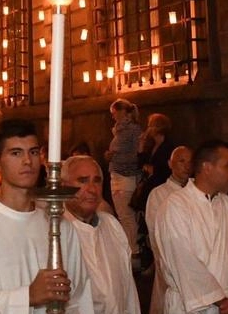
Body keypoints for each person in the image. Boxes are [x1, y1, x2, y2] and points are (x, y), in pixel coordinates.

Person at [0, 118, 92, 313]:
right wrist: (27, 296)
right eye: (16, 153)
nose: (27, 161)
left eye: (33, 152)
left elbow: (80, 298)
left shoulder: (60, 226)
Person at [153, 140, 228, 314]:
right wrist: (222, 301)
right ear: (207, 167)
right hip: (192, 306)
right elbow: (183, 260)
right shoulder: (175, 206)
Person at [62, 155, 140, 314]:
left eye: (96, 181)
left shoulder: (112, 225)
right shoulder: (55, 233)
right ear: (63, 186)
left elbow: (128, 289)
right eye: (82, 181)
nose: (91, 189)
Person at [145, 145, 192, 314]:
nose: (187, 166)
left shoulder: (197, 193)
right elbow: (154, 232)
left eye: (190, 162)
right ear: (170, 164)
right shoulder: (158, 194)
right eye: (181, 161)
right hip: (169, 266)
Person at [105, 99, 142, 257]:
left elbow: (135, 154)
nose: (113, 117)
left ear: (122, 112)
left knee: (127, 216)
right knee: (123, 215)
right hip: (119, 175)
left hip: (125, 176)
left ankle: (134, 251)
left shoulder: (132, 130)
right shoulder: (120, 131)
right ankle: (131, 248)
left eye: (114, 114)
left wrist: (114, 156)